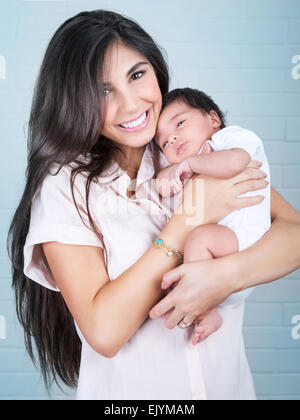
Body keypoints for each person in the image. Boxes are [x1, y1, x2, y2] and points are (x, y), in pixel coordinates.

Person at [7, 10, 300, 400]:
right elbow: (104, 332)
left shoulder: (184, 146)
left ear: (156, 70)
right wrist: (186, 220)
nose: (131, 105)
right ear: (73, 101)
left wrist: (224, 277)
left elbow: (293, 233)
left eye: (136, 74)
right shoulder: (65, 186)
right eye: (103, 91)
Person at [153, 88, 271, 345]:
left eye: (180, 124)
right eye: (164, 143)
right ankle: (202, 307)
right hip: (220, 255)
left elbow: (235, 163)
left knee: (199, 238)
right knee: (175, 275)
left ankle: (206, 311)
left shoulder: (231, 139)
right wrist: (171, 174)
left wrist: (191, 165)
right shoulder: (187, 166)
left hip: (245, 239)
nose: (172, 139)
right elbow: (159, 186)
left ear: (213, 120)